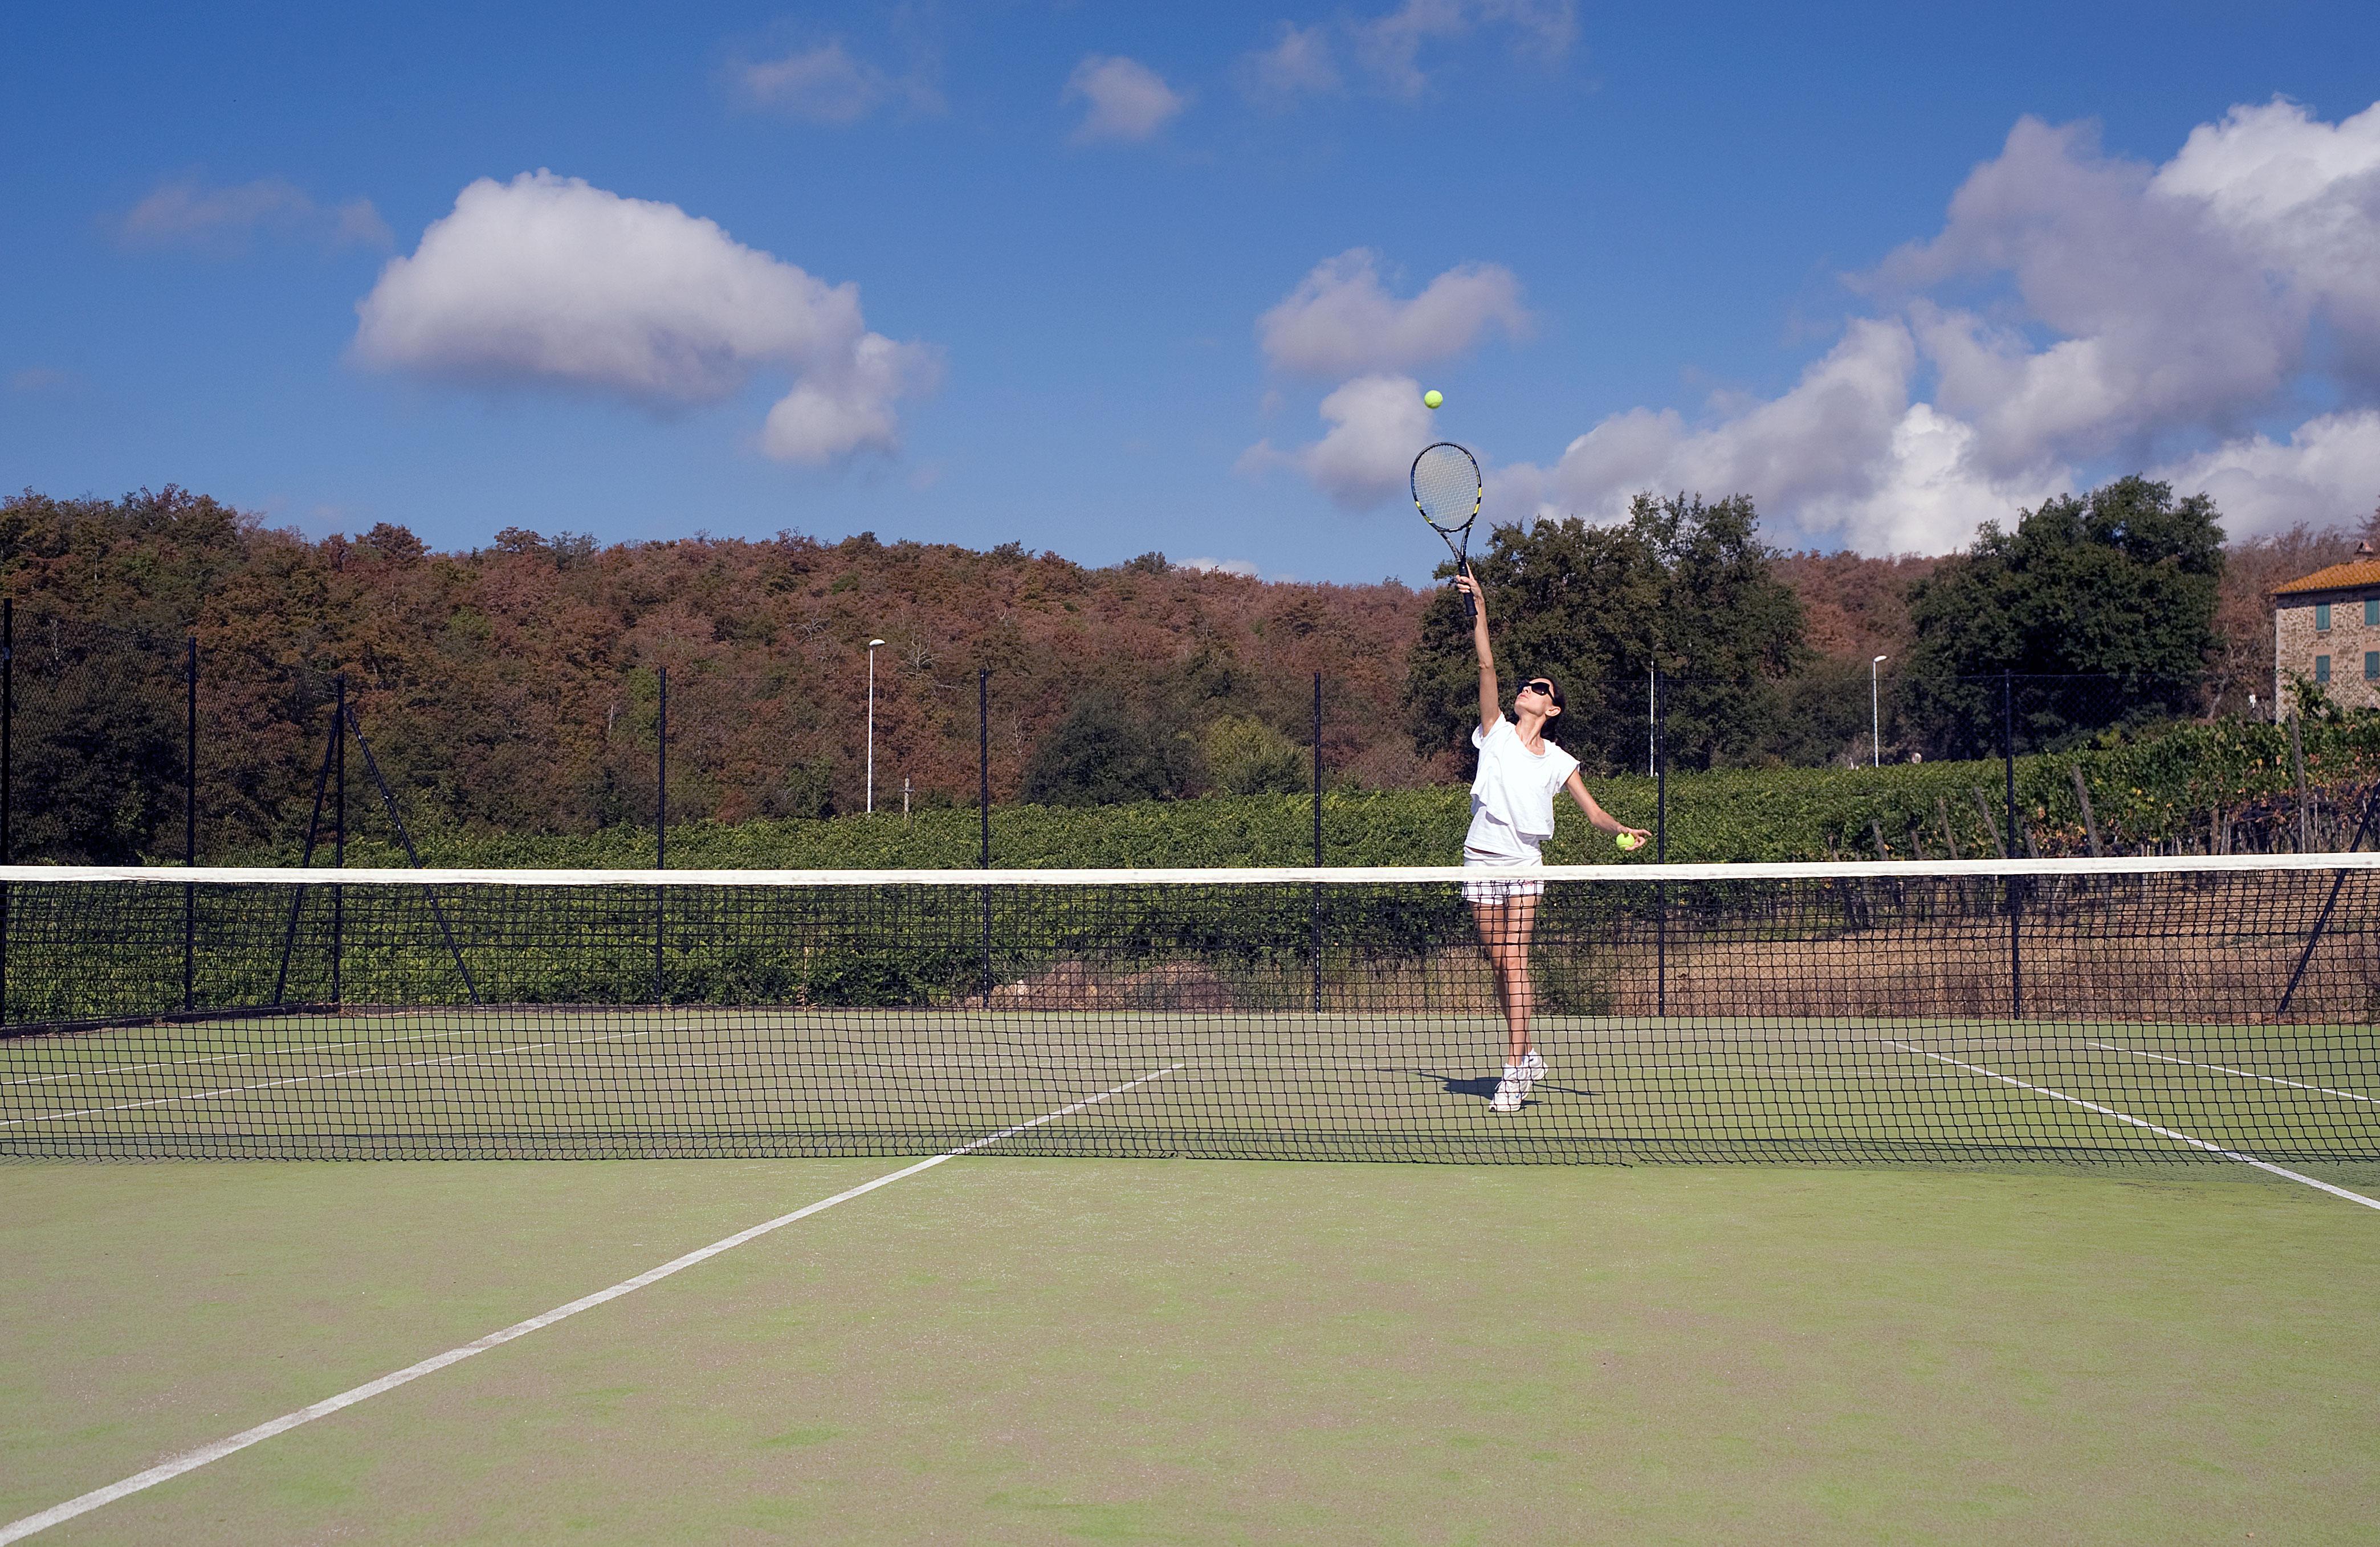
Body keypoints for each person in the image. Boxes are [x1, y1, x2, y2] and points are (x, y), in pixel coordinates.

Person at [1452, 572, 1648, 1114]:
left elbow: (1594, 813)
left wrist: (1623, 830)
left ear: (1553, 709)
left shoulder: (1560, 760)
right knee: (1497, 963)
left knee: (1514, 961)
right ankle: (1530, 1053)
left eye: (1540, 689)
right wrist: (1480, 611)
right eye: (1528, 685)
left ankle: (1513, 1071)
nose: (1528, 690)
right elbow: (1486, 664)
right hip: (1480, 861)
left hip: (1524, 865)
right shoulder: (1493, 731)